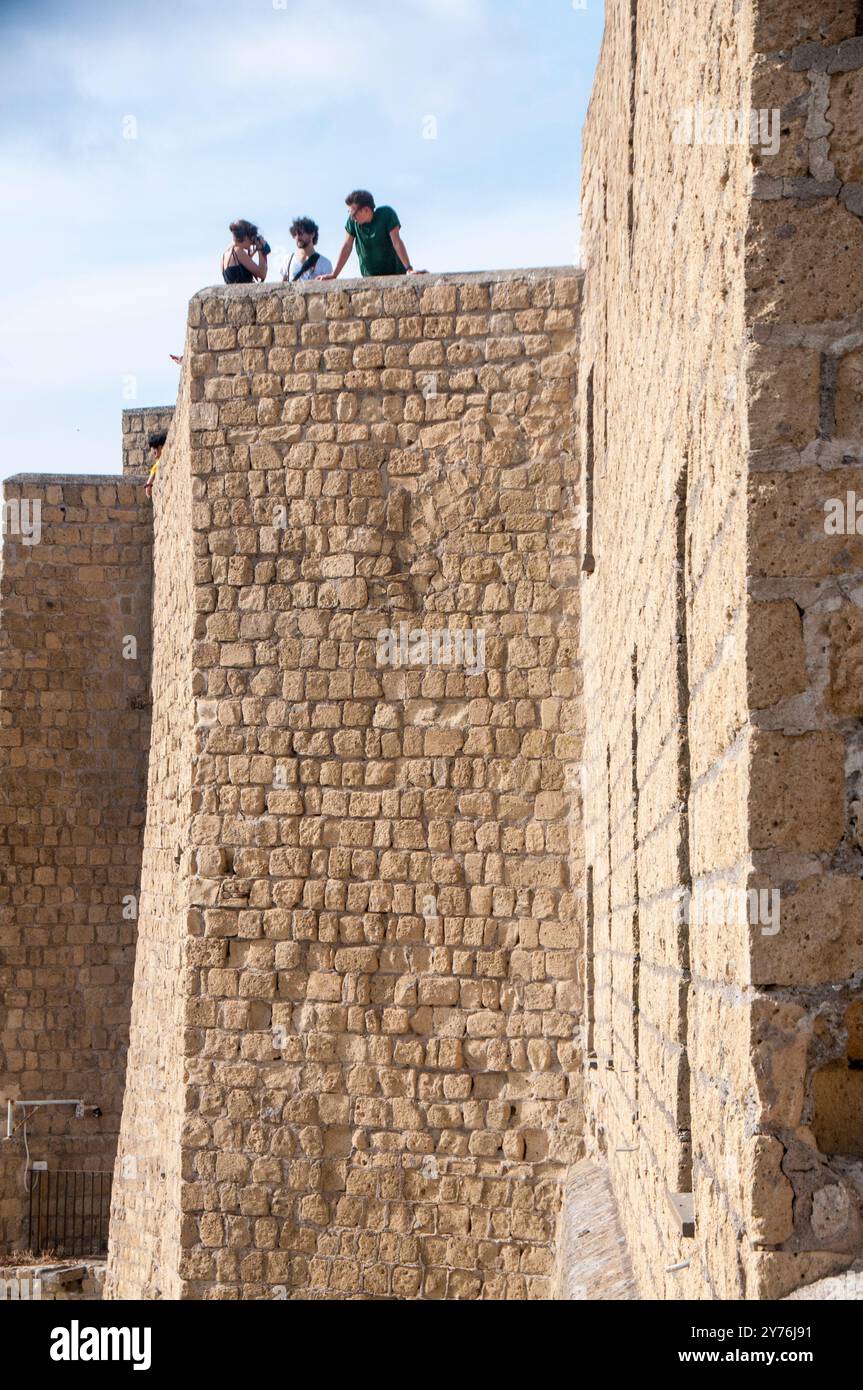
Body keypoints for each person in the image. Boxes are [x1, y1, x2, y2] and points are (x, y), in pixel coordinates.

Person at [319, 191, 424, 280]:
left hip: (394, 274)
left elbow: (396, 241)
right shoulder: (352, 223)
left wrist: (409, 269)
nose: (352, 217)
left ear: (366, 210)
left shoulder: (386, 214)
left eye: (354, 213)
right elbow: (347, 246)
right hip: (370, 278)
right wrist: (334, 274)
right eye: (349, 213)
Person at [280, 217, 333, 283]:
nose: (297, 238)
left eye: (300, 233)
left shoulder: (325, 264)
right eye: (295, 234)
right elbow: (282, 288)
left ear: (312, 234)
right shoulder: (288, 260)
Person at [221, 219, 269, 284]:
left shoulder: (225, 254)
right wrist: (260, 249)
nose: (252, 241)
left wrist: (249, 257)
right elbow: (262, 274)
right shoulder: (238, 252)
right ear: (246, 237)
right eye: (251, 237)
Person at [144, 430, 167, 501]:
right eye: (152, 448)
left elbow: (155, 470)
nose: (153, 451)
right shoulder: (156, 465)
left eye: (155, 448)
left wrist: (148, 484)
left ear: (161, 448)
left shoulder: (159, 463)